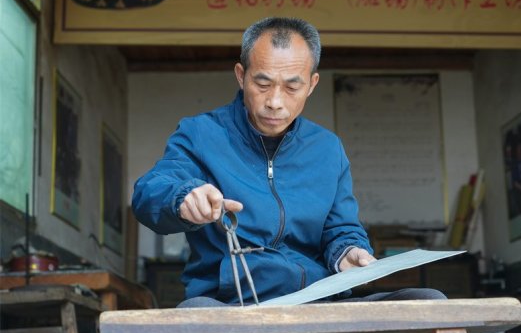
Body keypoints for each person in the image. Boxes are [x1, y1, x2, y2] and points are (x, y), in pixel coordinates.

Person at [132, 17, 445, 307]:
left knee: (429, 301)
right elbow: (149, 193)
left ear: (311, 84)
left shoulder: (327, 149)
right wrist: (182, 198)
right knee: (193, 316)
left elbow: (342, 228)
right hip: (232, 302)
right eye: (263, 84)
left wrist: (348, 253)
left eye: (292, 86)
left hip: (318, 301)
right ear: (241, 76)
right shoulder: (201, 134)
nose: (275, 102)